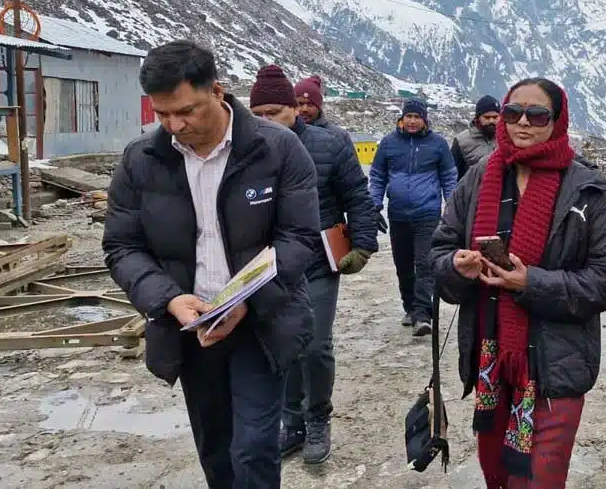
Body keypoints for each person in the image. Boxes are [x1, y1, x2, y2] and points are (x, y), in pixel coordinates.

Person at [102, 41, 322, 489]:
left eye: (185, 111)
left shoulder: (277, 150)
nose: (175, 125)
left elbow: (298, 239)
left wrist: (248, 300)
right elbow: (122, 246)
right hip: (190, 326)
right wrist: (168, 300)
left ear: (217, 91)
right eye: (162, 115)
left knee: (256, 446)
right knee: (216, 449)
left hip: (261, 321)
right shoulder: (141, 160)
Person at [431, 78, 606, 489]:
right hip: (492, 358)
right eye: (512, 112)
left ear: (556, 121)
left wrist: (530, 283)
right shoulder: (481, 176)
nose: (522, 123)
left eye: (537, 115)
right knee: (497, 474)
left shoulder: (583, 189)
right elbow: (441, 250)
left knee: (541, 477)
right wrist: (456, 265)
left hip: (556, 363)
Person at [246, 64, 377, 465]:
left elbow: (357, 195)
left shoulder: (330, 145)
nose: (268, 121)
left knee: (315, 344)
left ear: (294, 109)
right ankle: (293, 422)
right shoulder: (247, 151)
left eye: (275, 112)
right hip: (270, 265)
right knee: (280, 344)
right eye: (260, 114)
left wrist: (364, 245)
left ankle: (318, 417)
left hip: (319, 262)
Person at [369, 99, 457, 336]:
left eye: (417, 117)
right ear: (402, 118)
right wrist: (375, 205)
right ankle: (409, 307)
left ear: (424, 119)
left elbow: (449, 178)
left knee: (424, 263)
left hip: (427, 213)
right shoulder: (388, 143)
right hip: (397, 213)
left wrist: (452, 207)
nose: (412, 121)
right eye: (409, 116)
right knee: (403, 266)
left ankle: (422, 314)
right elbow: (377, 176)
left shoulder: (438, 144)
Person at [451, 95, 501, 178]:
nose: (491, 121)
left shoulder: (507, 138)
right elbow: (453, 174)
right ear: (478, 118)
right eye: (487, 117)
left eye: (495, 117)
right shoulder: (461, 141)